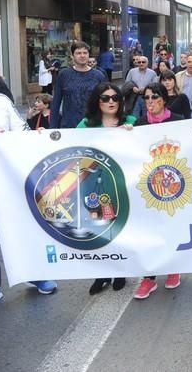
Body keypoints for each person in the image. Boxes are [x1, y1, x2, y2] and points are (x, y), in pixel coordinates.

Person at [0, 90, 58, 302]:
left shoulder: (0, 101)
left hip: (6, 180)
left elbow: (23, 132)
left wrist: (34, 136)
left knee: (21, 228)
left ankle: (34, 274)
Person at [76, 83, 136, 293]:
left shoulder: (130, 122)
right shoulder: (85, 124)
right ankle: (101, 274)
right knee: (97, 228)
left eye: (115, 98)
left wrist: (131, 133)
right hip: (91, 184)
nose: (111, 102)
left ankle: (121, 270)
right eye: (105, 98)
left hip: (119, 185)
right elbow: (69, 147)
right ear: (97, 101)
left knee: (120, 227)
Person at [132, 82, 183, 300]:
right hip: (149, 186)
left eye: (154, 97)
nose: (150, 101)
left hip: (175, 185)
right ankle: (149, 277)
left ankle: (173, 268)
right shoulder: (140, 124)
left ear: (164, 98)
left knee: (171, 227)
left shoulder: (179, 121)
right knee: (149, 231)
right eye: (146, 98)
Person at [51, 41, 108, 129]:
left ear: (89, 55)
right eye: (78, 53)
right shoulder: (64, 74)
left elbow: (106, 102)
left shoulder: (99, 76)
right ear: (72, 56)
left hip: (92, 125)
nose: (82, 55)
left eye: (85, 53)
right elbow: (56, 102)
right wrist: (53, 127)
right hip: (69, 125)